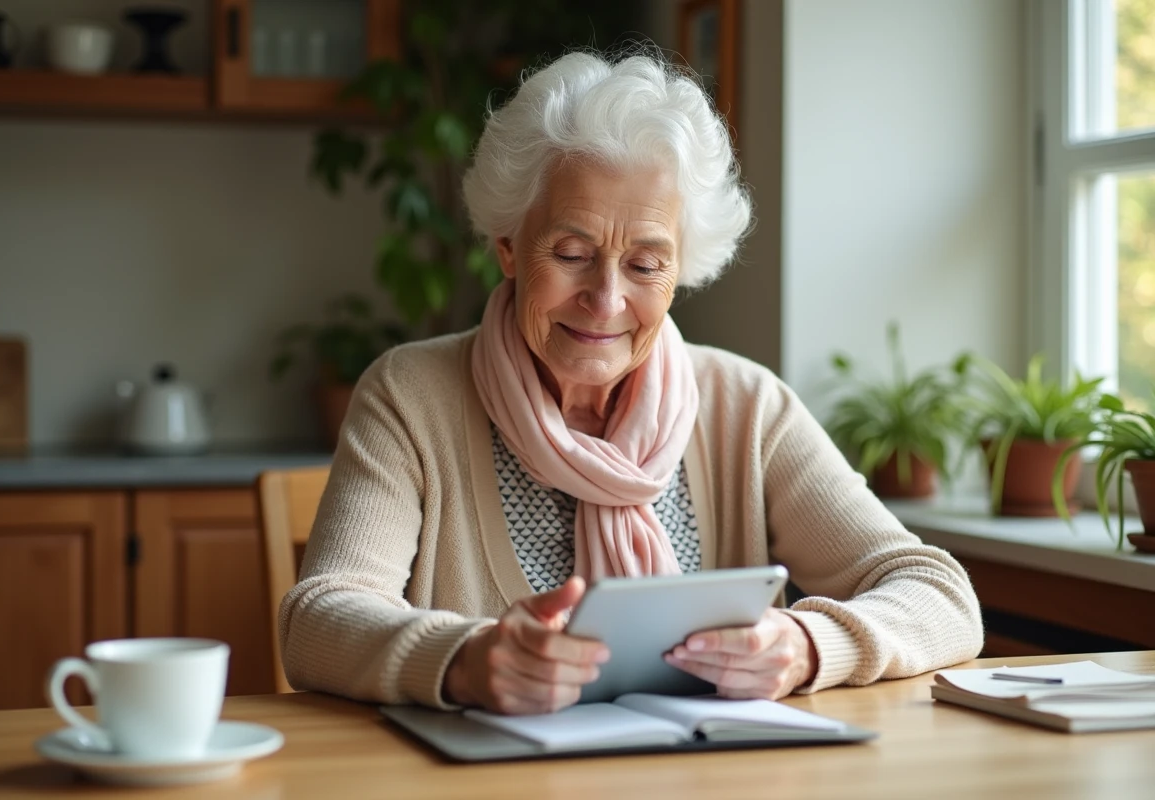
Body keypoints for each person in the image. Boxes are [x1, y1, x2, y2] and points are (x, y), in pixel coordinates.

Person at [279, 51, 982, 716]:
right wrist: (465, 659)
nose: (606, 299)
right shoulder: (411, 396)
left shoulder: (746, 407)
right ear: (508, 247)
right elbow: (318, 618)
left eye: (645, 265)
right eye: (572, 253)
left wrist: (805, 645)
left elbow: (940, 595)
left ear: (682, 269)